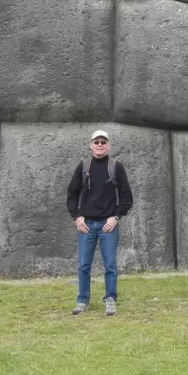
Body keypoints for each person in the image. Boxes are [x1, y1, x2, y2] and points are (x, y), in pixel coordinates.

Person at [67, 130, 133, 316]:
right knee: (83, 265)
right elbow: (71, 195)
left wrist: (116, 217)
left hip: (108, 225)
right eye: (96, 142)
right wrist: (77, 217)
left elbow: (127, 197)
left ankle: (110, 300)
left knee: (110, 265)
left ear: (109, 145)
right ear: (91, 145)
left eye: (103, 142)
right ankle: (82, 301)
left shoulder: (116, 167)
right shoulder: (83, 167)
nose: (100, 145)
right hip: (86, 225)